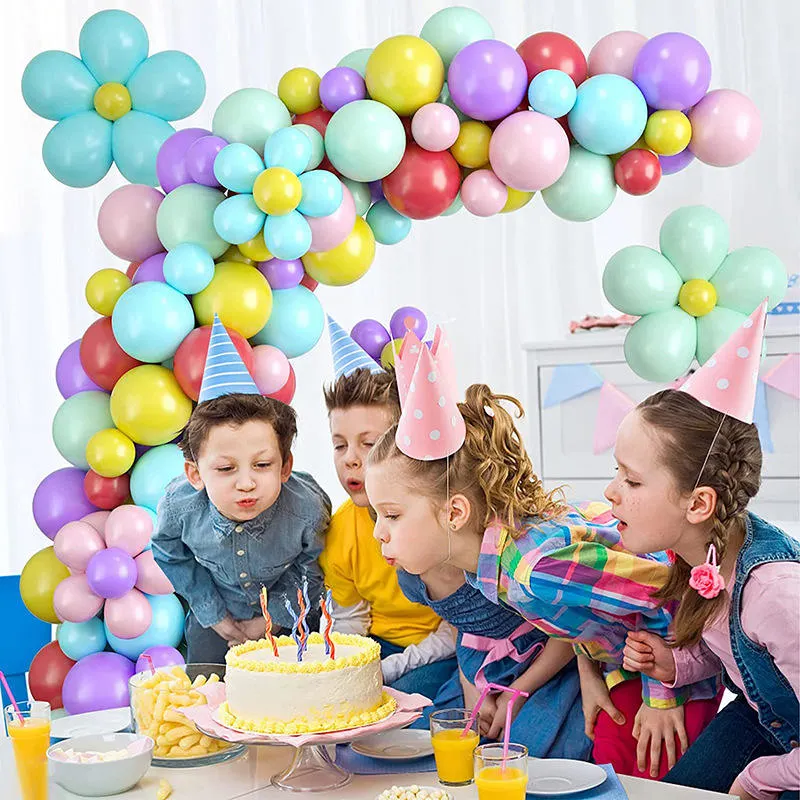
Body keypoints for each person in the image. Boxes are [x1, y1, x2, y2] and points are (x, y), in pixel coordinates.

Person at [365, 323, 719, 779]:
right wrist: (594, 667)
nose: (378, 533)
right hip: (620, 663)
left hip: (683, 665)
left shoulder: (534, 568)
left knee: (635, 775)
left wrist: (662, 695)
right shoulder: (484, 567)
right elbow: (588, 612)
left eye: (391, 515)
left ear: (455, 512)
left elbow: (661, 590)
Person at [616, 303, 799, 800]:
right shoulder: (702, 555)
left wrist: (759, 778)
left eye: (631, 479)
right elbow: (733, 651)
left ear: (698, 503)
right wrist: (675, 664)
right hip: (766, 719)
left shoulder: (776, 596)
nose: (611, 493)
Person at [152, 316, 330, 663]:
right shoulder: (179, 507)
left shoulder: (306, 508)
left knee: (294, 692)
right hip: (218, 612)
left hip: (290, 613)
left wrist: (273, 620)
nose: (246, 482)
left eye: (262, 465)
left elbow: (313, 568)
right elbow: (168, 551)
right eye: (225, 469)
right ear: (195, 474)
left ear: (285, 467)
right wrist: (213, 614)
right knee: (206, 687)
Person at [319, 317, 456, 699]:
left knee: (409, 718)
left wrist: (390, 669)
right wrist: (349, 671)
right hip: (378, 651)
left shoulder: (438, 519)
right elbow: (350, 624)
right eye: (339, 444)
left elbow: (459, 628)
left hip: (442, 650)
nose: (351, 460)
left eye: (369, 443)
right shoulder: (341, 530)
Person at [396, 563, 591, 759]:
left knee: (530, 747)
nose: (379, 535)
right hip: (479, 672)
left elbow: (572, 627)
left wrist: (516, 694)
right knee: (431, 739)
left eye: (396, 528)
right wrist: (472, 687)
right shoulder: (412, 578)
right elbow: (460, 628)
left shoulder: (515, 560)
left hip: (545, 671)